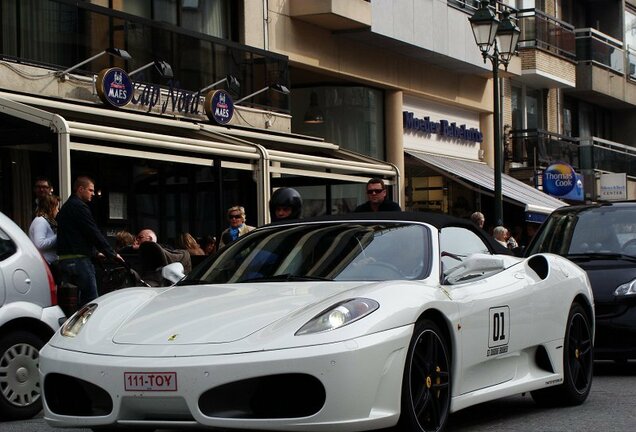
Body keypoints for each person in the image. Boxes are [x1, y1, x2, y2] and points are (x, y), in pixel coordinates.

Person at [56, 176, 123, 312]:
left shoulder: (65, 209)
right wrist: (111, 253)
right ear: (81, 189)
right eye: (90, 190)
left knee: (68, 304)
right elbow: (93, 232)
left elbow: (75, 235)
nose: (93, 193)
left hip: (64, 262)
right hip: (80, 261)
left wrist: (95, 253)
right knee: (91, 303)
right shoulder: (80, 207)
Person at [28, 194, 60, 265]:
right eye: (56, 208)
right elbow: (39, 244)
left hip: (48, 263)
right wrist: (58, 236)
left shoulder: (47, 221)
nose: (57, 211)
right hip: (45, 264)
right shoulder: (40, 221)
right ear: (50, 208)